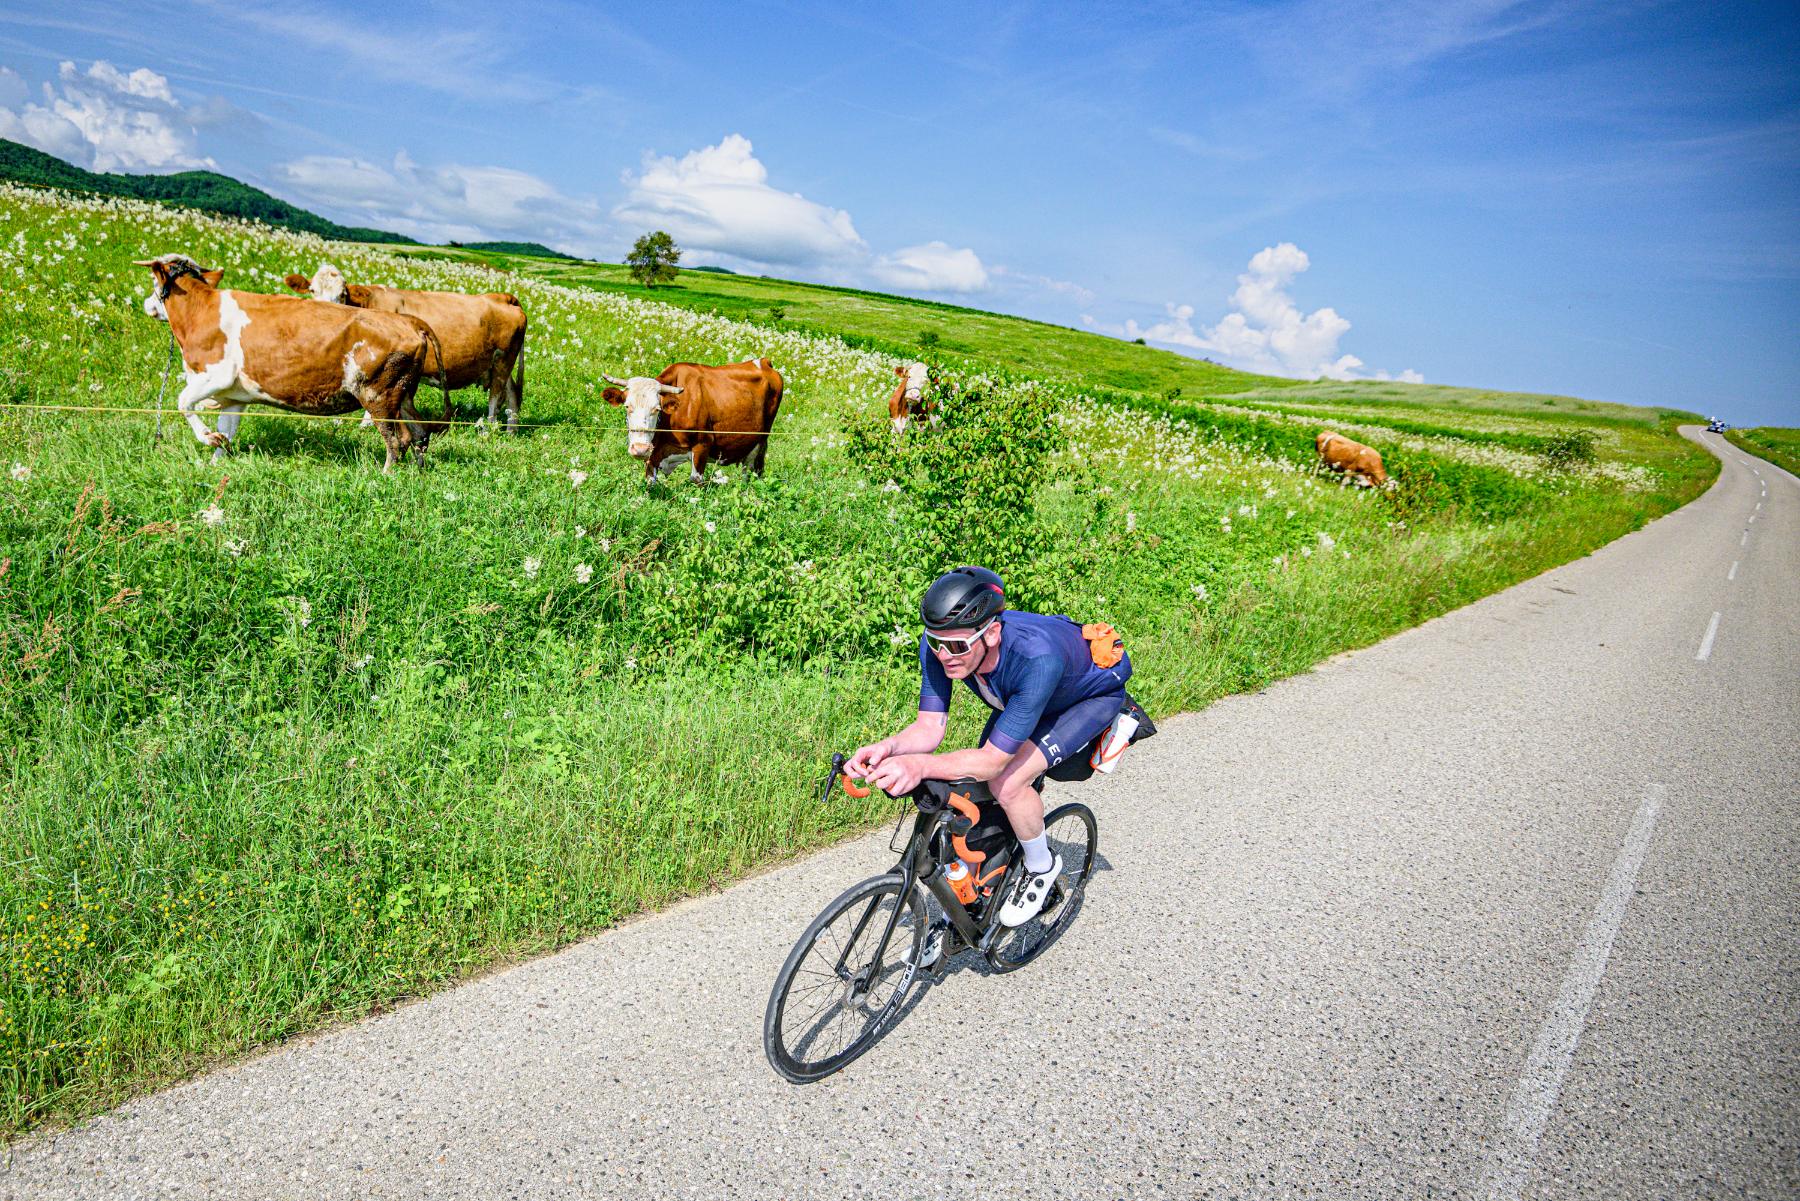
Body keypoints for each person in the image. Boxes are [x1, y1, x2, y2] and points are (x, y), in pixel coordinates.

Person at [846, 567, 1134, 940]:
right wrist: (888, 748)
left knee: (1007, 780)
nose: (945, 655)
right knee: (971, 786)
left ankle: (1040, 866)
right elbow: (929, 728)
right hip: (1024, 695)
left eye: (957, 647)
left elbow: (994, 761)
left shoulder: (1036, 658)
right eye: (936, 644)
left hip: (1085, 698)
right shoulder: (945, 641)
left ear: (992, 633)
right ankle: (982, 888)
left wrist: (917, 766)